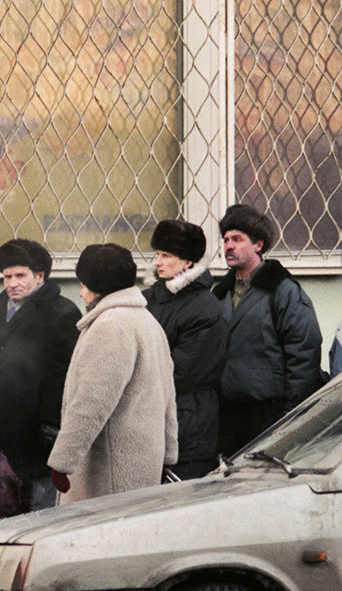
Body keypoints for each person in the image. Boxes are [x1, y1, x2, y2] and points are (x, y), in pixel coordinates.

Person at [47, 244, 177, 503]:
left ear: (98, 285)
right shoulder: (147, 321)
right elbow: (167, 396)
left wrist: (62, 462)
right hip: (141, 464)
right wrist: (169, 453)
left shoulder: (111, 326)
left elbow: (91, 401)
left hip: (109, 473)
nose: (81, 292)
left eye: (83, 284)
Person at [212, 204, 324, 457]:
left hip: (269, 414)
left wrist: (291, 410)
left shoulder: (282, 290)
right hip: (228, 416)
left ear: (258, 246)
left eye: (237, 239)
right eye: (226, 239)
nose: (228, 246)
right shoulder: (220, 293)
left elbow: (304, 350)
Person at [0, 238, 81, 512]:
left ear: (39, 276)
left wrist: (50, 426)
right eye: (7, 276)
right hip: (0, 428)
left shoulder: (61, 312)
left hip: (38, 432)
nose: (12, 283)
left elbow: (64, 375)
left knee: (40, 511)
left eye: (20, 275)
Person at [142, 220, 228, 478]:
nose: (157, 262)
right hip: (150, 421)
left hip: (187, 429)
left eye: (166, 255)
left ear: (188, 262)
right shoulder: (147, 299)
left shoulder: (205, 308)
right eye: (157, 254)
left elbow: (182, 371)